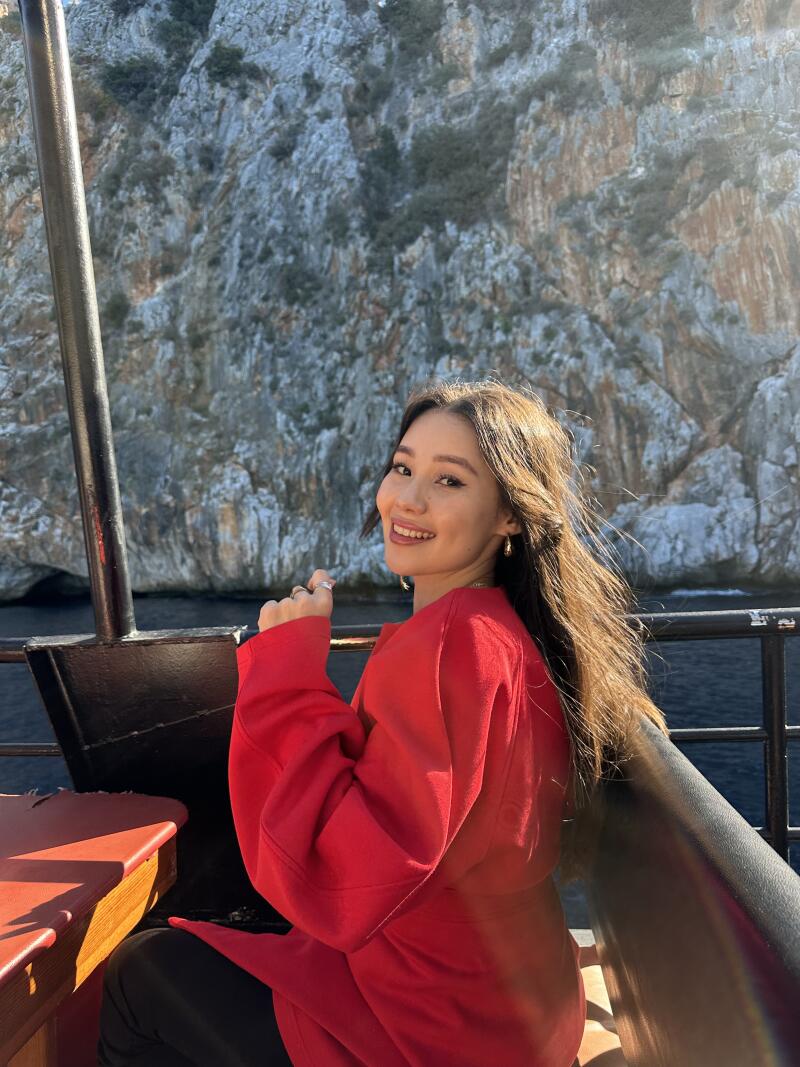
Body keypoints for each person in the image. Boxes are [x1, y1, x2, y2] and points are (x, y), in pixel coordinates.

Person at [97, 378, 669, 1066]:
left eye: (449, 480)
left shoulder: (455, 642)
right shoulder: (504, 634)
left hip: (431, 1025)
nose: (409, 498)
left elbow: (353, 877)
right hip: (509, 1003)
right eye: (403, 467)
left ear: (509, 516)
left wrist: (285, 673)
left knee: (141, 977)